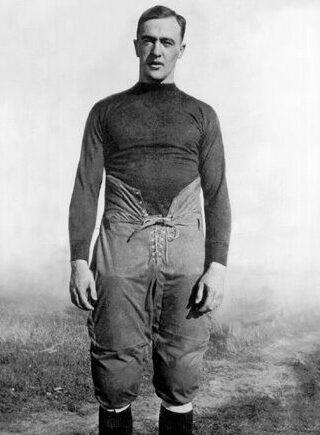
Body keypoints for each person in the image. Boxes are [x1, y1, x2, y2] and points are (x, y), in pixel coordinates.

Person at [68, 5, 231, 435]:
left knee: (182, 369)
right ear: (136, 45)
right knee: (115, 367)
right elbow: (86, 186)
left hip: (186, 249)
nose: (156, 50)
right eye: (149, 40)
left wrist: (217, 265)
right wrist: (78, 260)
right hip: (121, 243)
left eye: (167, 42)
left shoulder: (202, 115)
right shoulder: (106, 111)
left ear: (182, 49)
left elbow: (216, 195)